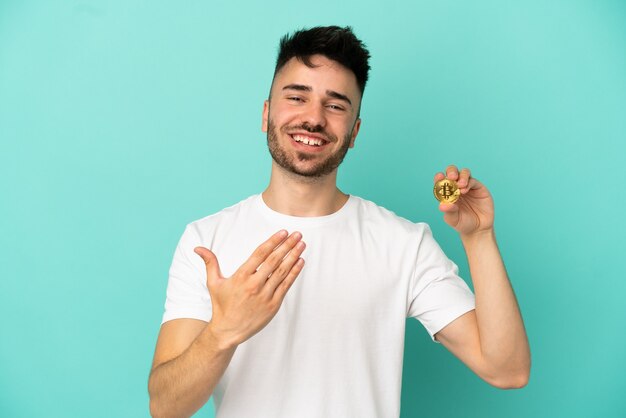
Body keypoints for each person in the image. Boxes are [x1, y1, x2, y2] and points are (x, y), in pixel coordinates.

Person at [148, 26, 531, 418]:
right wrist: (222, 332)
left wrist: (479, 237)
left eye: (335, 106)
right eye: (297, 97)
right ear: (266, 113)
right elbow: (165, 407)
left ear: (354, 132)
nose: (313, 118)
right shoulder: (206, 239)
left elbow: (507, 369)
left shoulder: (403, 243)